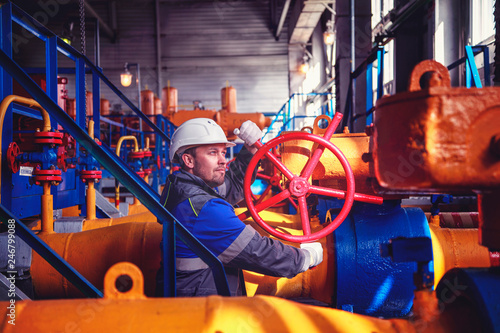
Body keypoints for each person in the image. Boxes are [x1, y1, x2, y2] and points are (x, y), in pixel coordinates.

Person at [157, 118, 323, 297]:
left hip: (189, 295)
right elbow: (259, 252)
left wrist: (251, 149)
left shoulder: (182, 188)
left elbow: (234, 184)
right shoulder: (204, 209)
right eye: (213, 153)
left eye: (223, 152)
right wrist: (306, 257)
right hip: (199, 309)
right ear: (188, 160)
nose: (223, 160)